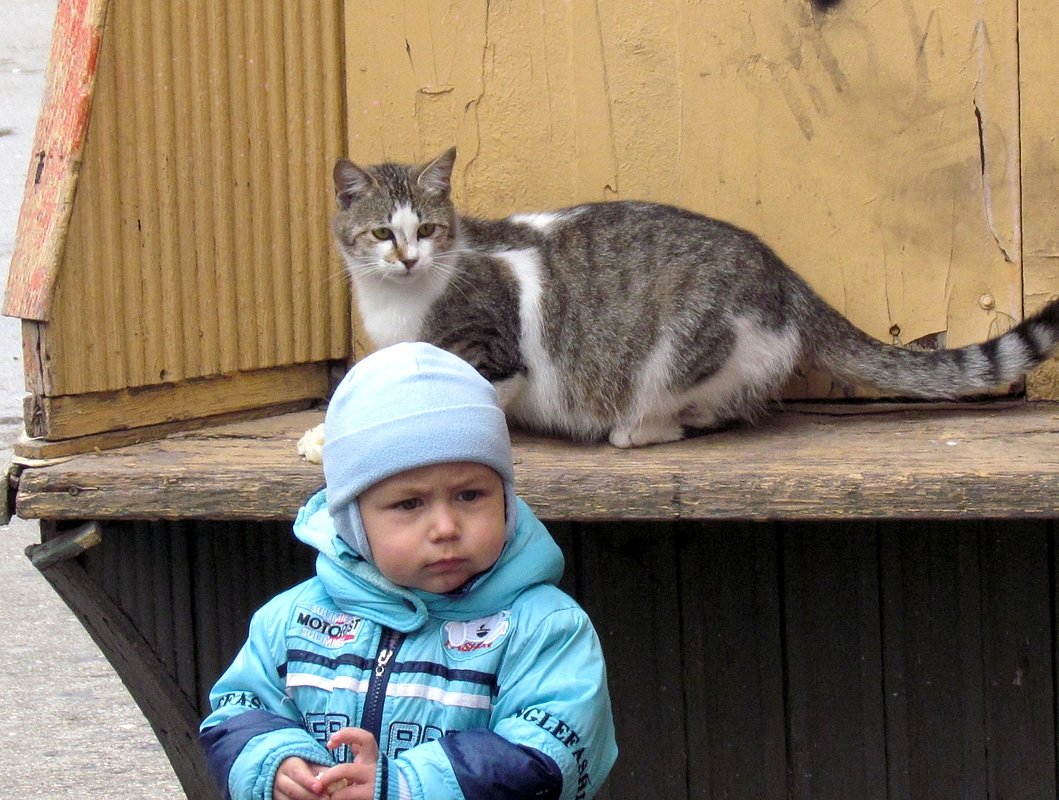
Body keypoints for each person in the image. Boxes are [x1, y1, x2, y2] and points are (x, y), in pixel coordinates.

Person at [199, 342, 618, 800]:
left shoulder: (544, 628)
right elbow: (238, 711)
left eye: (470, 495)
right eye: (409, 503)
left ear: (505, 497)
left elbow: (551, 753)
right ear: (353, 522)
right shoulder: (292, 621)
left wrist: (406, 787)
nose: (445, 527)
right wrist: (274, 763)